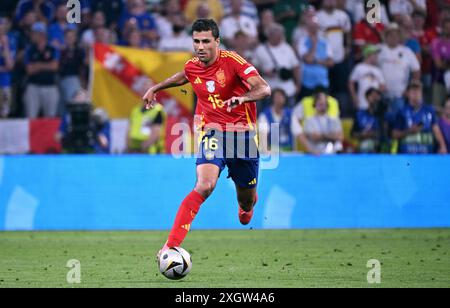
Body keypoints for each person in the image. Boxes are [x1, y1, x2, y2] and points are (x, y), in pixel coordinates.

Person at [142, 19, 271, 256]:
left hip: (242, 136)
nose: (200, 47)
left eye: (205, 41)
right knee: (204, 185)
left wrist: (243, 99)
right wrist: (156, 88)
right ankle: (170, 245)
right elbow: (184, 76)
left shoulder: (233, 62)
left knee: (246, 203)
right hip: (212, 132)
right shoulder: (193, 66)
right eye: (196, 41)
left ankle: (247, 205)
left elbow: (264, 89)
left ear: (217, 42)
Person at [392, 81, 447, 154]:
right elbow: (394, 134)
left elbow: (436, 129)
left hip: (426, 154)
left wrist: (442, 146)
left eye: (418, 90)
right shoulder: (402, 111)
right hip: (407, 155)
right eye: (413, 91)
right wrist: (409, 131)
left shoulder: (429, 110)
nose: (416, 93)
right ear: (408, 94)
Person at [24, 22, 60, 118]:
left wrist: (38, 65)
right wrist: (46, 65)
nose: (31, 35)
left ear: (41, 34)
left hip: (50, 86)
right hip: (33, 86)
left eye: (34, 33)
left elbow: (55, 66)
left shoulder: (52, 48)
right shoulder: (30, 49)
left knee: (50, 117)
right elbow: (29, 70)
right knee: (31, 117)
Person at [349, 45, 386, 111]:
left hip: (375, 104)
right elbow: (351, 83)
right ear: (368, 55)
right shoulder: (359, 67)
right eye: (375, 54)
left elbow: (383, 86)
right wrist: (354, 97)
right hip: (361, 102)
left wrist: (376, 94)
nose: (377, 57)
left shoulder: (378, 70)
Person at [258, 88, 294, 152]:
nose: (280, 98)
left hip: (288, 152)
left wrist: (312, 150)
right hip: (272, 151)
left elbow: (299, 133)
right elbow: (263, 134)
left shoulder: (290, 114)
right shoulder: (264, 115)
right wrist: (266, 150)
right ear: (272, 99)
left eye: (282, 96)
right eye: (277, 96)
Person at [351, 88, 384, 153]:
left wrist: (374, 134)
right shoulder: (359, 114)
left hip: (379, 150)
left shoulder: (383, 115)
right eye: (372, 96)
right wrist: (362, 135)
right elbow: (353, 134)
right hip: (363, 147)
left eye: (376, 96)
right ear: (367, 98)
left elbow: (386, 134)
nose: (374, 98)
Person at [0, 17, 15, 118]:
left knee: (4, 114)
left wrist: (5, 45)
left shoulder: (10, 41)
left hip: (4, 82)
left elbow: (10, 66)